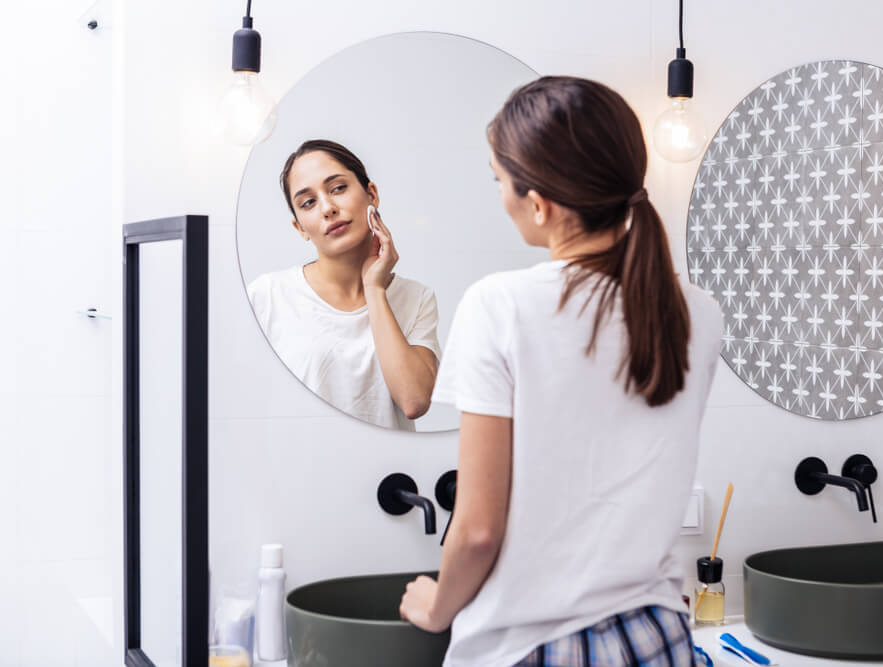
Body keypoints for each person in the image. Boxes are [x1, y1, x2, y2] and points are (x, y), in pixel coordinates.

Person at [398, 76, 724, 666]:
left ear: (540, 204)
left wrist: (435, 607)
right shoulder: (697, 310)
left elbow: (476, 532)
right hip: (658, 641)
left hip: (531, 647)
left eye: (501, 182)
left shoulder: (499, 306)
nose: (500, 197)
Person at [247, 140, 440, 431]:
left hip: (387, 474)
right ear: (300, 228)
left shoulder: (417, 298)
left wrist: (374, 290)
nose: (327, 208)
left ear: (371, 193)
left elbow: (414, 401)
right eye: (308, 203)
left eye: (338, 188)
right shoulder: (269, 296)